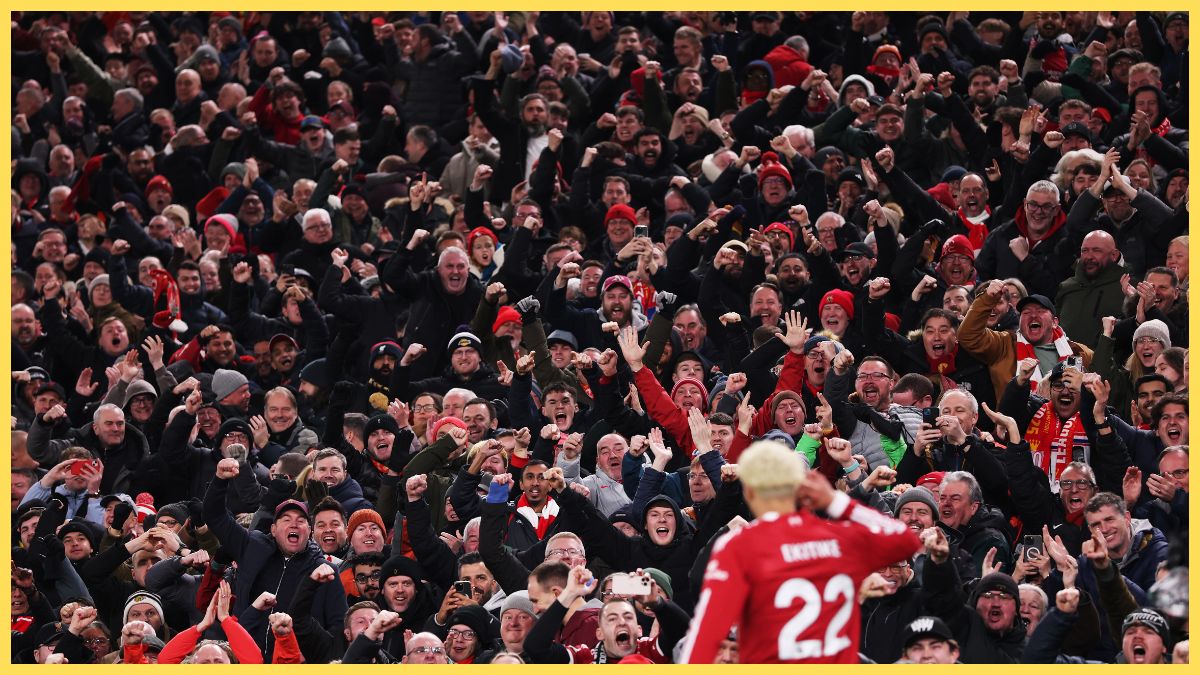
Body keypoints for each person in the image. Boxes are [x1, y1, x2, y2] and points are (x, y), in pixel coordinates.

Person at [680, 440, 921, 663]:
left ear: (750, 494)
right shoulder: (837, 538)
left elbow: (706, 635)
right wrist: (835, 501)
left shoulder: (739, 546)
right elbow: (907, 541)